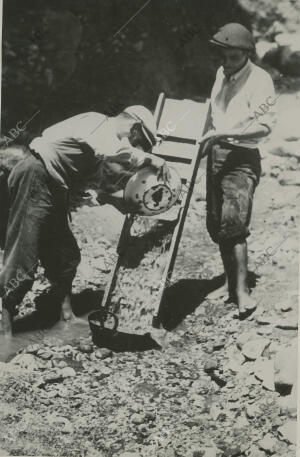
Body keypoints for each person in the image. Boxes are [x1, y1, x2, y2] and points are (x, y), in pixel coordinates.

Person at [0, 105, 169, 338]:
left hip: (54, 186)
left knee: (65, 254)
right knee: (23, 255)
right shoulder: (97, 124)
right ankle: (5, 323)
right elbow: (111, 149)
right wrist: (150, 159)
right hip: (35, 176)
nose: (134, 147)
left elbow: (92, 189)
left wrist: (126, 201)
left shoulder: (97, 150)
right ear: (134, 128)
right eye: (137, 142)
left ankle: (66, 314)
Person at [200, 23, 276, 318]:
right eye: (223, 57)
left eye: (234, 58)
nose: (227, 63)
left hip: (243, 156)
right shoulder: (221, 73)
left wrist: (224, 134)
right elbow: (213, 112)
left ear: (247, 53)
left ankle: (242, 293)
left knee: (234, 224)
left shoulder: (261, 80)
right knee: (217, 224)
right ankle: (229, 284)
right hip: (216, 151)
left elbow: (264, 125)